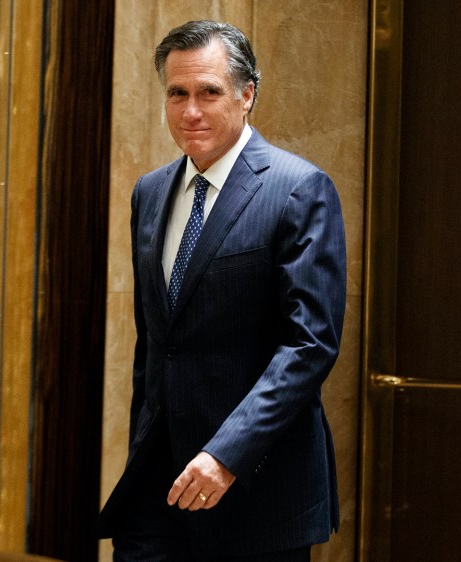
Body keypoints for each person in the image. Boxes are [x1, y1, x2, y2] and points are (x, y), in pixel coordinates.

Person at [98, 20, 346, 562]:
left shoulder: (298, 190)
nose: (191, 111)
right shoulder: (150, 191)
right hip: (158, 489)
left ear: (246, 94)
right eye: (177, 93)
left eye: (209, 92)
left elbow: (309, 346)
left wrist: (227, 454)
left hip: (258, 489)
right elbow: (156, 343)